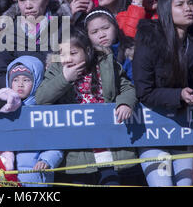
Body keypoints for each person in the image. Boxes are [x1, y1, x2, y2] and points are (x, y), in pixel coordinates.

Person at [133, 0, 193, 186]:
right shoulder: (149, 39)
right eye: (180, 5)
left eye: (190, 3)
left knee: (184, 184)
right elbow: (143, 91)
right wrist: (179, 95)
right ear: (165, 10)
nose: (188, 9)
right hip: (153, 129)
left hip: (185, 129)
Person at [35, 26, 137, 186]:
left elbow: (127, 87)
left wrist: (125, 102)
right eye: (62, 54)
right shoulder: (57, 69)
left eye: (73, 53)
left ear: (87, 51)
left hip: (109, 145)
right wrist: (64, 78)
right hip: (79, 150)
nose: (67, 59)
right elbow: (41, 98)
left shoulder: (106, 63)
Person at [0, 0, 71, 90]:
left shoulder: (64, 28)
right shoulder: (9, 33)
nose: (28, 6)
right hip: (22, 102)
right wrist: (22, 85)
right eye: (22, 0)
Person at [8, 56, 63, 187]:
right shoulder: (4, 111)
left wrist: (47, 160)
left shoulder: (44, 110)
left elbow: (57, 141)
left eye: (26, 80)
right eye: (15, 80)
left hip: (36, 178)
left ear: (37, 81)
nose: (20, 84)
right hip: (9, 180)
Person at [80, 7, 135, 82]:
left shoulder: (130, 53)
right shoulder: (85, 59)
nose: (102, 35)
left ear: (115, 27)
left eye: (106, 28)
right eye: (94, 32)